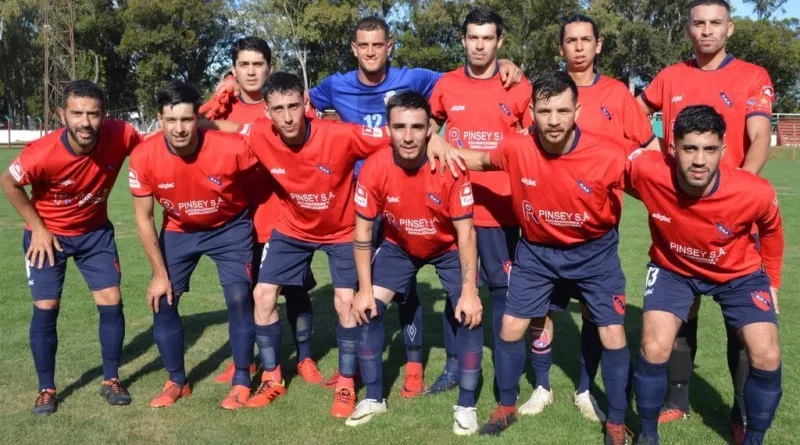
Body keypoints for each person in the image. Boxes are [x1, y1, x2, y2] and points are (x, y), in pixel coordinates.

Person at [306, 15, 520, 396]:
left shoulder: (417, 78)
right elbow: (297, 105)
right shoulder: (335, 85)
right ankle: (353, 371)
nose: (371, 52)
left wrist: (502, 64)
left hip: (427, 196)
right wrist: (235, 84)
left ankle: (419, 365)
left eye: (378, 44)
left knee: (435, 290)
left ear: (390, 47)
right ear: (353, 48)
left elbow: (465, 81)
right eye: (363, 45)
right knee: (367, 290)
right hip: (368, 200)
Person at [232, 72, 459, 418]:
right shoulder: (258, 133)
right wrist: (202, 116)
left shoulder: (341, 135)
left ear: (306, 103)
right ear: (267, 111)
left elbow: (397, 135)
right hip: (292, 228)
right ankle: (272, 377)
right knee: (262, 295)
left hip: (342, 230)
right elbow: (224, 131)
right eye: (278, 109)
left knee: (345, 302)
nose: (288, 117)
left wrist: (434, 141)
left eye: (294, 106)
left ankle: (347, 382)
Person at [455, 71, 633, 444]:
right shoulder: (517, 146)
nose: (553, 120)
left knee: (613, 332)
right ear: (532, 112)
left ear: (577, 111)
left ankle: (617, 422)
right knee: (510, 327)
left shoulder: (608, 154)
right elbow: (481, 160)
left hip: (594, 254)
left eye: (562, 111)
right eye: (545, 111)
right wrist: (440, 148)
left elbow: (654, 185)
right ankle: (506, 407)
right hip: (537, 253)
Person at [636, 0, 774, 435]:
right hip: (679, 217)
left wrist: (736, 194)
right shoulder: (670, 76)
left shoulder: (752, 76)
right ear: (688, 29)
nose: (707, 30)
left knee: (744, 324)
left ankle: (742, 412)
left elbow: (759, 137)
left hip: (733, 219)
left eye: (716, 23)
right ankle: (677, 400)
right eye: (699, 23)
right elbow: (632, 112)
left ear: (730, 29)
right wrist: (654, 157)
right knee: (681, 311)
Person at [523, 14, 659, 422]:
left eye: (586, 40)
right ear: (561, 46)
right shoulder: (545, 91)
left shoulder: (617, 94)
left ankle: (585, 389)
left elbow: (650, 151)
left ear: (598, 45)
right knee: (541, 310)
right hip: (546, 229)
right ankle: (542, 387)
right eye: (571, 40)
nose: (579, 47)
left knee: (593, 313)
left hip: (596, 230)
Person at [628, 105, 783, 445]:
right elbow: (600, 161)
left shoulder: (754, 191)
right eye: (690, 148)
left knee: (767, 354)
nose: (700, 160)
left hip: (739, 273)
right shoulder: (646, 169)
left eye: (710, 149)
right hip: (673, 268)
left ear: (723, 150)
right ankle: (647, 434)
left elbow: (772, 230)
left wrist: (772, 281)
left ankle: (754, 438)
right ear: (672, 148)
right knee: (653, 346)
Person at [1, 80, 141, 415]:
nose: (85, 122)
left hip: (95, 234)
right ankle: (46, 389)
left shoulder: (121, 134)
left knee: (111, 300)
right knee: (46, 306)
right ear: (62, 114)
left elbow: (155, 149)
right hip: (48, 236)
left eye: (93, 114)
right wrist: (38, 228)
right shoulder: (41, 153)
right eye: (77, 113)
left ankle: (111, 380)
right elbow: (8, 181)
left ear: (104, 114)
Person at [347, 91, 483, 435]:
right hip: (399, 246)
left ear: (429, 130)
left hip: (448, 247)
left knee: (469, 313)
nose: (408, 136)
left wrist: (470, 291)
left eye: (417, 127)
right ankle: (374, 398)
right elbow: (362, 233)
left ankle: (467, 404)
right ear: (389, 129)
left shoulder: (451, 168)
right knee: (367, 310)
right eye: (399, 127)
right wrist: (364, 290)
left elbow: (466, 234)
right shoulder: (375, 167)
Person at [201, 36, 323, 386]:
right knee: (245, 293)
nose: (251, 71)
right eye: (244, 65)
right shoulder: (222, 109)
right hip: (238, 220)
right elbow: (194, 128)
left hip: (284, 215)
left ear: (270, 67)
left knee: (295, 290)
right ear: (234, 69)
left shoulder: (285, 105)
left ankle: (305, 358)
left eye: (258, 64)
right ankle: (246, 358)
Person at [130, 81, 259, 410]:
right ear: (160, 119)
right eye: (171, 120)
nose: (179, 128)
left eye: (187, 120)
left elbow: (263, 167)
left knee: (239, 297)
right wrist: (159, 274)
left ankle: (242, 378)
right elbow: (144, 218)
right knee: (162, 299)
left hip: (229, 228)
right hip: (179, 230)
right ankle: (177, 380)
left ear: (198, 119)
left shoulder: (230, 147)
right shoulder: (144, 155)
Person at [427, 6, 530, 395]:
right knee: (457, 292)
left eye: (488, 38)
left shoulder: (518, 85)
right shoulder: (446, 84)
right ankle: (454, 367)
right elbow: (428, 126)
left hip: (502, 210)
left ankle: (506, 371)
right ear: (463, 40)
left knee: (503, 293)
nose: (480, 45)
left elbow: (532, 142)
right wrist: (434, 138)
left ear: (499, 42)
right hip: (456, 210)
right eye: (473, 38)